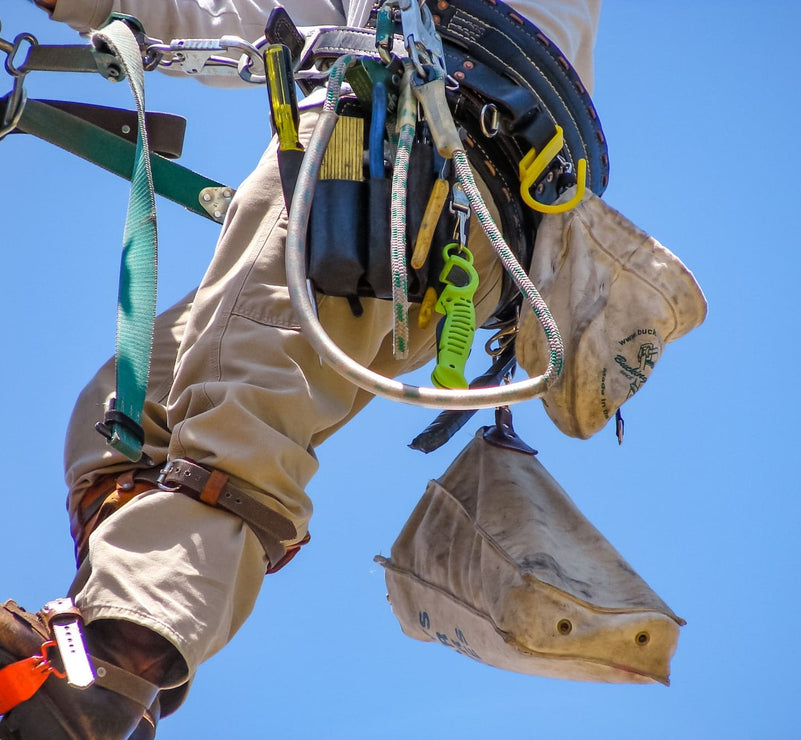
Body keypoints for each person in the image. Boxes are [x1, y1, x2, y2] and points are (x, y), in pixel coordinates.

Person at [0, 0, 601, 737]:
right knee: (127, 419)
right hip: (442, 215)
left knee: (240, 427)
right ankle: (96, 649)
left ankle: (104, 684)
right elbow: (234, 12)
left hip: (389, 156)